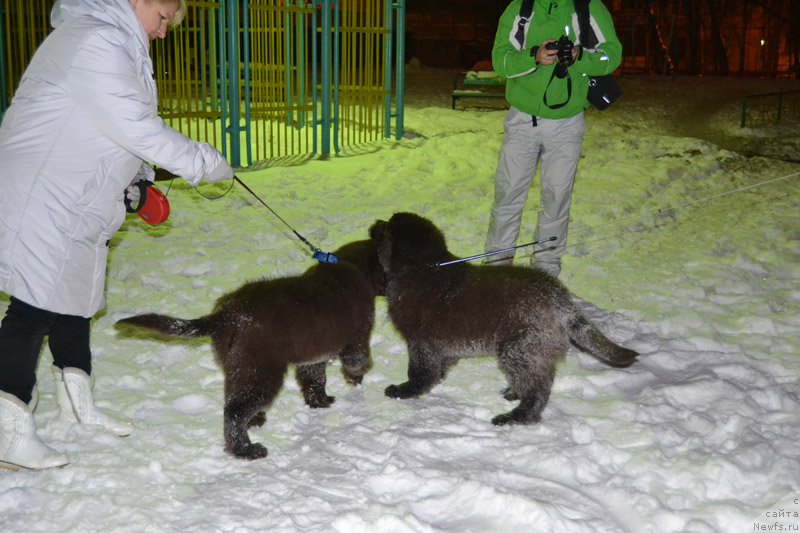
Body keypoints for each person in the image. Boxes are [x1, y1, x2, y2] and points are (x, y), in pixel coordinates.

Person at [0, 0, 234, 470]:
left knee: (76, 298)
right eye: (165, 19)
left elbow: (110, 129)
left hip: (75, 194)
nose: (164, 32)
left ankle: (77, 403)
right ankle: (8, 431)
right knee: (35, 307)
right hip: (44, 194)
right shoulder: (95, 39)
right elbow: (136, 126)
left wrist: (137, 184)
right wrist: (203, 162)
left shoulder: (116, 40)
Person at [485, 0, 621, 276]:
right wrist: (533, 57)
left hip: (567, 125)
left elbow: (612, 56)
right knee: (508, 195)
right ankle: (496, 269)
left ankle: (546, 270)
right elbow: (500, 60)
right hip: (522, 120)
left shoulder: (590, 8)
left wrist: (580, 55)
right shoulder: (520, 10)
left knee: (556, 197)